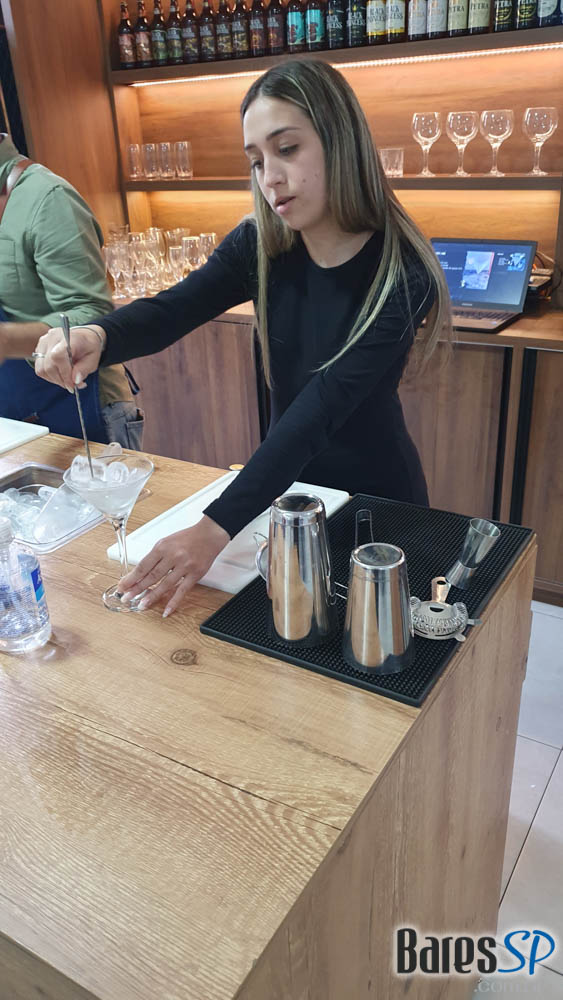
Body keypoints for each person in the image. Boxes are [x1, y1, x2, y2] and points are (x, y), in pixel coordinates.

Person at [35, 60, 451, 618]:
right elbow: (173, 309)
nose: (269, 177)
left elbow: (319, 410)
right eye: (256, 160)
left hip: (376, 503)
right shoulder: (260, 245)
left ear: (341, 141)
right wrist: (99, 335)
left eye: (287, 149)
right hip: (287, 492)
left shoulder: (402, 274)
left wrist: (214, 528)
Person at [0, 132, 144, 449]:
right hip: (13, 422)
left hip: (84, 410)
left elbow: (93, 314)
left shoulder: (47, 198)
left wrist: (7, 340)